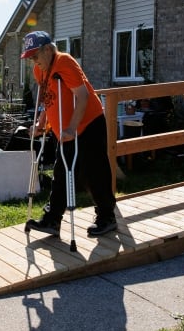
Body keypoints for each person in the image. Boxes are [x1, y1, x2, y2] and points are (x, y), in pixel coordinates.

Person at [22, 30, 117, 237]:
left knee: (94, 172)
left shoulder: (64, 62)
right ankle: (52, 220)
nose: (33, 61)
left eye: (35, 56)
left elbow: (82, 97)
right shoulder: (40, 71)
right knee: (61, 174)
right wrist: (41, 125)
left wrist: (72, 127)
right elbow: (48, 100)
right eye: (30, 58)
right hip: (66, 130)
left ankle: (107, 217)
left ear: (48, 50)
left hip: (89, 123)